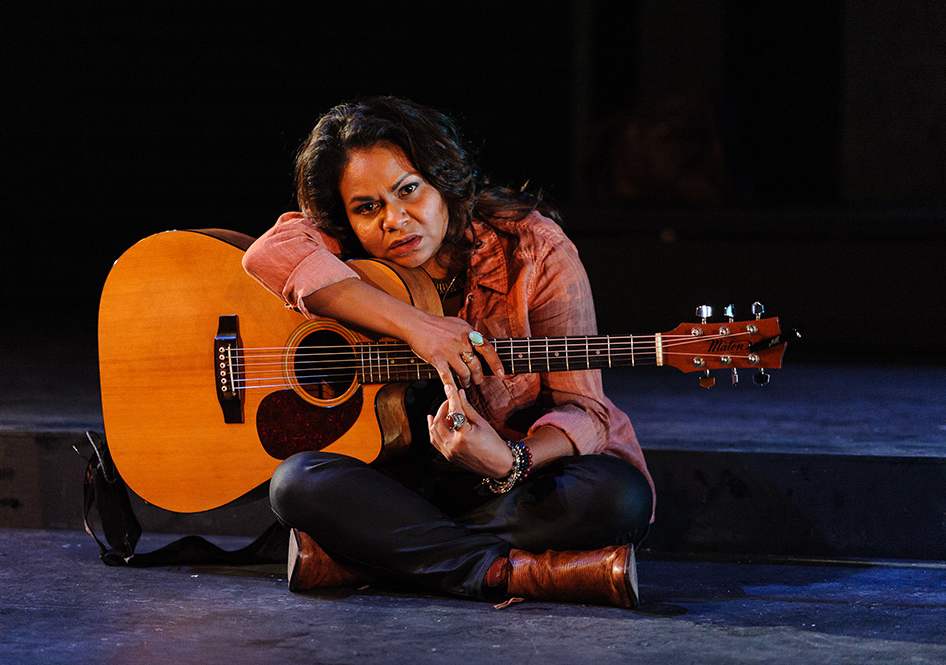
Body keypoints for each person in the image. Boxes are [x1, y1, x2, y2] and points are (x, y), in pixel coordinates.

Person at [242, 96, 654, 607]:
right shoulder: (341, 243)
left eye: (409, 190)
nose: (394, 219)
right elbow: (269, 253)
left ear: (444, 182)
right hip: (400, 480)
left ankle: (372, 554)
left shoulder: (535, 251)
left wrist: (510, 460)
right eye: (367, 208)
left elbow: (586, 411)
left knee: (616, 497)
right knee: (297, 483)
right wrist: (418, 326)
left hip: (506, 483)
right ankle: (510, 574)